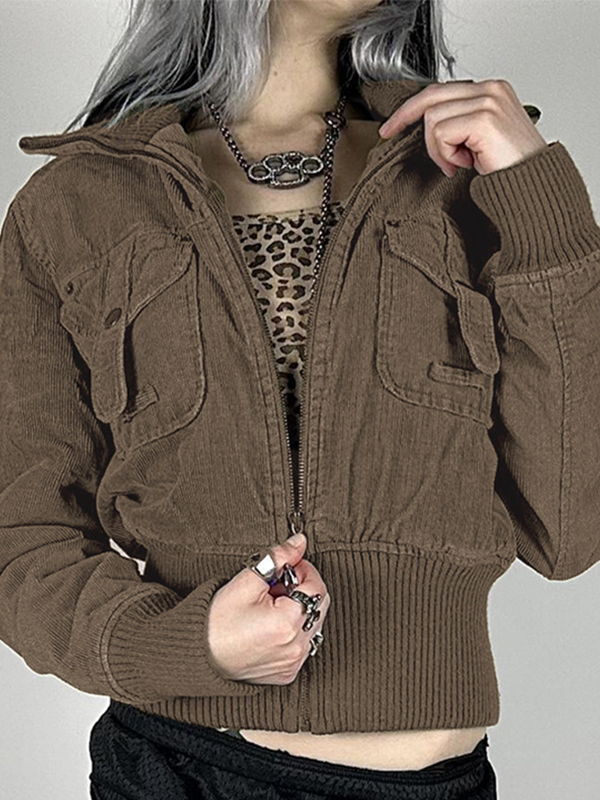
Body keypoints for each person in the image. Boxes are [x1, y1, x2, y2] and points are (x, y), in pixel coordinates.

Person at [1, 0, 599, 797]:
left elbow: (567, 531)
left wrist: (543, 206)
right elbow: (24, 537)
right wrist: (187, 645)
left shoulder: (470, 175)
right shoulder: (76, 201)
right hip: (179, 767)